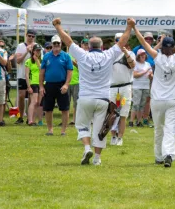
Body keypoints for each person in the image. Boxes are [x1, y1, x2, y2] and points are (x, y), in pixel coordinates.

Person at [53, 17, 134, 165]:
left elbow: (68, 41)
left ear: (88, 46)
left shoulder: (82, 55)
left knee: (82, 125)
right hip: (103, 98)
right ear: (102, 46)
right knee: (100, 129)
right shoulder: (108, 55)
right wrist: (129, 27)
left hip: (85, 97)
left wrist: (58, 27)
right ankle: (97, 159)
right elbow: (122, 42)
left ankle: (86, 147)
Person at [133, 17, 175, 167]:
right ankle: (168, 154)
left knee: (158, 129)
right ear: (173, 48)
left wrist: (134, 27)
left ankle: (159, 156)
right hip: (172, 100)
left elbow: (143, 43)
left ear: (162, 47)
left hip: (157, 100)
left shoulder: (157, 57)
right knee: (170, 129)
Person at [39, 35, 73, 136]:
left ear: (61, 44)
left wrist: (66, 84)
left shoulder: (66, 56)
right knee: (48, 108)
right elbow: (42, 72)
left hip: (62, 84)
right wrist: (41, 86)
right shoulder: (46, 56)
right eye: (54, 43)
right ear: (52, 44)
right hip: (49, 85)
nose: (56, 45)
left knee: (65, 108)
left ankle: (63, 131)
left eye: (58, 43)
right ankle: (50, 130)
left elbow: (69, 71)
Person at [109, 33, 136, 146]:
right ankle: (113, 135)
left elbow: (132, 65)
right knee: (111, 113)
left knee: (123, 114)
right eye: (117, 40)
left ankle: (120, 137)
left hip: (125, 87)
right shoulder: (110, 54)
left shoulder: (130, 53)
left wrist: (125, 52)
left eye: (121, 40)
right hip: (113, 88)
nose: (119, 42)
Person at [133, 31, 155, 125]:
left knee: (148, 99)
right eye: (146, 38)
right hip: (139, 74)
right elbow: (133, 62)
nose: (148, 40)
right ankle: (136, 119)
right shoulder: (137, 49)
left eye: (150, 38)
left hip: (151, 70)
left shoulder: (154, 49)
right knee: (137, 101)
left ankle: (145, 118)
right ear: (143, 39)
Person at [15, 30, 36, 124]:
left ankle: (30, 118)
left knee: (32, 97)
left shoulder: (37, 46)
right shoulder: (20, 46)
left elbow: (39, 60)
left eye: (32, 36)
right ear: (26, 35)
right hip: (21, 75)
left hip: (33, 76)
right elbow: (18, 60)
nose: (31, 37)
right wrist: (26, 52)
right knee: (21, 96)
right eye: (29, 35)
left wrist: (32, 52)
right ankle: (20, 117)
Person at [130, 49, 153, 127]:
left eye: (144, 54)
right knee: (136, 104)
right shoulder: (135, 64)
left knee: (142, 105)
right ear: (138, 56)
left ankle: (139, 122)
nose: (143, 56)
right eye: (141, 55)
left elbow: (151, 76)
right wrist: (145, 71)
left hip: (146, 86)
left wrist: (150, 75)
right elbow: (135, 75)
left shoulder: (148, 64)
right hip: (137, 87)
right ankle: (131, 121)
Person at [25, 44, 43, 126]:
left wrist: (37, 61)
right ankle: (30, 120)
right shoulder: (29, 61)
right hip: (33, 83)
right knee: (34, 101)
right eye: (36, 50)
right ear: (33, 51)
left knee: (39, 102)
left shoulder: (42, 60)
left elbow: (42, 70)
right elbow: (26, 75)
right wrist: (28, 86)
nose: (38, 52)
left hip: (41, 83)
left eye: (39, 50)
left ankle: (36, 120)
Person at [67, 40, 80, 126]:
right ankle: (66, 120)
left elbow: (83, 68)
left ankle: (74, 120)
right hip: (67, 82)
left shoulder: (80, 56)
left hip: (77, 82)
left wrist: (75, 63)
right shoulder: (66, 56)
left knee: (76, 102)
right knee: (66, 102)